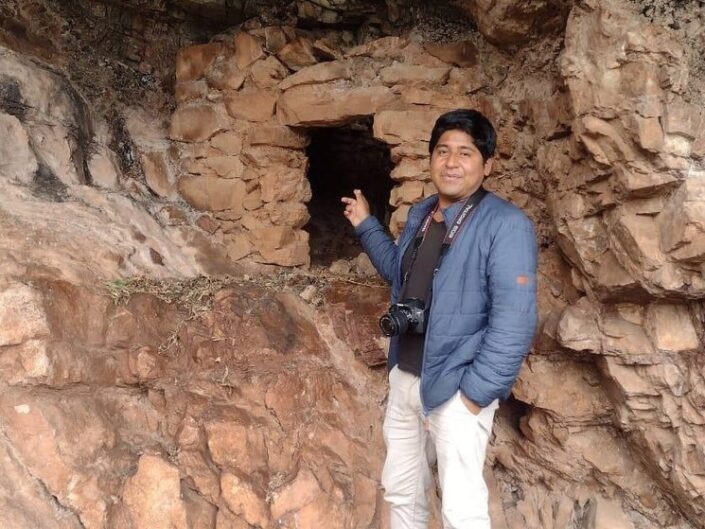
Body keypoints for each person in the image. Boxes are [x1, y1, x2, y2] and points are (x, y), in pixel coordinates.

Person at [341, 109, 537, 529]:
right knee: (402, 493)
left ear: (487, 165)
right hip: (406, 377)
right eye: (443, 151)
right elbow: (401, 274)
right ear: (431, 158)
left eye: (465, 153)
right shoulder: (423, 214)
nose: (451, 162)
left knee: (461, 511)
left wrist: (474, 395)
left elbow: (515, 320)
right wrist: (367, 226)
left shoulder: (506, 225)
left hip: (455, 386)